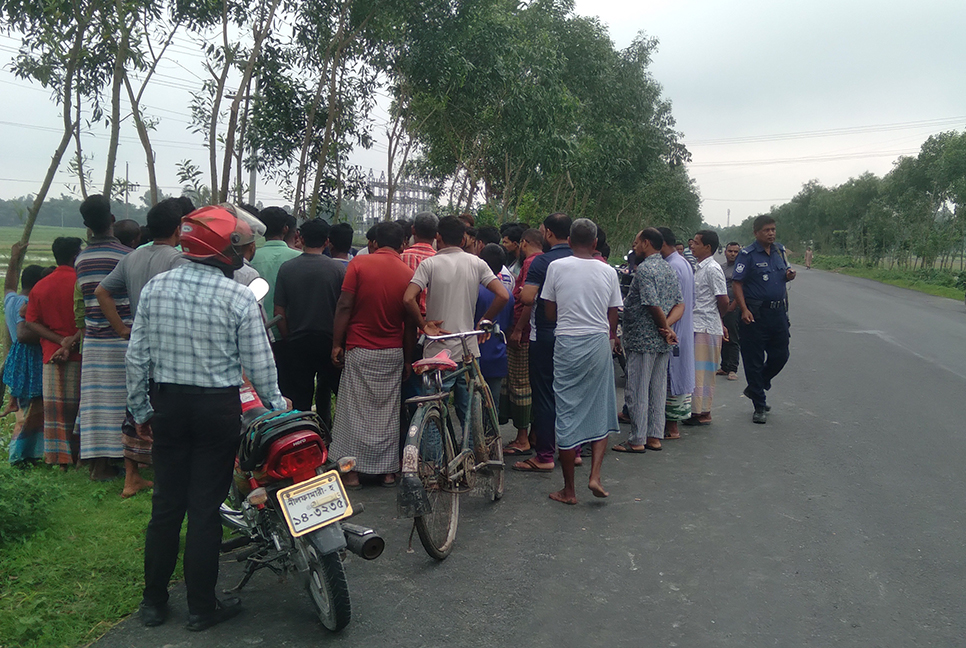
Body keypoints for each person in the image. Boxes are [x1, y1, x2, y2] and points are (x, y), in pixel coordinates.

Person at [128, 206, 286, 631]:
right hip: (217, 410)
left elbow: (136, 356)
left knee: (166, 507)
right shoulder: (237, 296)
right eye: (235, 244)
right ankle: (201, 607)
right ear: (221, 250)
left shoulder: (156, 289)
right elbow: (260, 363)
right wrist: (278, 406)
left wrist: (141, 410)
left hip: (169, 407)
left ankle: (153, 603)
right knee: (203, 509)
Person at [96, 197, 187, 497]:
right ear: (179, 228)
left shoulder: (132, 256)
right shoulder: (178, 259)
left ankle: (131, 476)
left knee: (135, 411)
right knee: (168, 415)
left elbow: (102, 291)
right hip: (170, 351)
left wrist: (122, 328)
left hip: (138, 345)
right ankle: (166, 474)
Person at [540, 219, 621, 504]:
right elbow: (613, 313)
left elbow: (550, 312)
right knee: (600, 406)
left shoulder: (556, 267)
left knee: (566, 411)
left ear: (570, 241)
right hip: (598, 340)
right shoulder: (608, 271)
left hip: (567, 342)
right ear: (596, 243)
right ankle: (595, 475)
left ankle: (569, 490)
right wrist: (609, 337)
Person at [329, 222, 414, 489]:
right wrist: (408, 358)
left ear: (374, 243)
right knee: (388, 414)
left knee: (353, 413)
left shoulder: (359, 265)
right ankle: (387, 472)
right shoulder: (408, 272)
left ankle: (352, 473)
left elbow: (344, 305)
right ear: (402, 245)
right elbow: (410, 323)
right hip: (392, 352)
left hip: (360, 349)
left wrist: (336, 343)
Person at [403, 216, 509, 423]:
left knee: (433, 410)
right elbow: (503, 295)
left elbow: (408, 298)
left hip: (437, 350)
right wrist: (485, 321)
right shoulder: (477, 263)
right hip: (468, 348)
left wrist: (424, 325)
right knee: (469, 411)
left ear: (437, 237)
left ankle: (435, 455)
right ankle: (470, 451)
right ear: (463, 240)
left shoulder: (429, 264)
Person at [74, 194, 134, 481]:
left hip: (95, 342)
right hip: (123, 339)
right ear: (112, 220)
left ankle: (98, 462)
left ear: (87, 225)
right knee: (126, 402)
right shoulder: (125, 256)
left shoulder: (81, 259)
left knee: (96, 405)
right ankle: (126, 459)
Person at [612, 229, 681, 454]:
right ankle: (654, 436)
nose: (635, 247)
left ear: (646, 243)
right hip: (661, 341)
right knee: (657, 388)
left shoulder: (645, 269)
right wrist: (667, 329)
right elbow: (680, 303)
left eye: (636, 242)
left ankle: (637, 438)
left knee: (638, 389)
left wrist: (664, 328)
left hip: (643, 339)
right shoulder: (668, 268)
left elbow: (652, 304)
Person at [513, 212, 573, 472]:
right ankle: (574, 451)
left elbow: (527, 298)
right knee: (570, 394)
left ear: (548, 233)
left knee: (545, 395)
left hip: (545, 335)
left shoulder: (542, 262)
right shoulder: (585, 262)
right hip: (575, 335)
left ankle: (545, 455)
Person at [274, 218, 345, 430]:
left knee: (299, 401)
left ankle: (301, 441)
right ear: (327, 241)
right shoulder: (338, 270)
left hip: (297, 343)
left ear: (301, 238)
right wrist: (340, 343)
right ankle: (337, 440)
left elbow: (279, 312)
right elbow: (345, 309)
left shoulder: (287, 268)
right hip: (329, 344)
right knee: (340, 395)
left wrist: (288, 338)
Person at [25, 236, 84, 468]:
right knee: (79, 407)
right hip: (80, 352)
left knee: (55, 410)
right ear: (75, 256)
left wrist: (59, 342)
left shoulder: (41, 286)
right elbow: (88, 319)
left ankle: (59, 460)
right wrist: (69, 343)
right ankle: (81, 457)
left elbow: (31, 322)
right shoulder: (81, 282)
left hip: (51, 354)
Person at [732, 215, 796, 424]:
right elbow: (738, 283)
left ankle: (756, 386)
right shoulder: (747, 254)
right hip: (755, 314)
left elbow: (783, 273)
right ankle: (759, 405)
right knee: (754, 361)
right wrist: (743, 309)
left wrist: (789, 274)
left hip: (778, 313)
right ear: (756, 233)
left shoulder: (779, 250)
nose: (771, 233)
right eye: (766, 230)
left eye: (773, 229)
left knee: (781, 355)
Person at [501, 228, 543, 455]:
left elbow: (528, 301)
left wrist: (517, 330)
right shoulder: (545, 262)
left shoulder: (530, 264)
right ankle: (534, 434)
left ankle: (522, 437)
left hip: (523, 332)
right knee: (531, 383)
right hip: (533, 332)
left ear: (524, 243)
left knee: (520, 384)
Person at [3, 243, 45, 465]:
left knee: (23, 408)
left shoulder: (11, 300)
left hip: (16, 363)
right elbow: (23, 335)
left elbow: (8, 285)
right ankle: (22, 454)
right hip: (31, 361)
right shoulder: (28, 304)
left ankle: (24, 452)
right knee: (31, 410)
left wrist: (13, 259)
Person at [684, 230, 729, 426]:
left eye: (695, 243)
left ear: (707, 247)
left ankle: (703, 412)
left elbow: (723, 299)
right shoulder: (699, 267)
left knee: (704, 371)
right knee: (696, 370)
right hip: (698, 325)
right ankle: (696, 409)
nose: (691, 246)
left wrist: (718, 318)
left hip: (706, 326)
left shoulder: (713, 269)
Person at [657, 227, 694, 447]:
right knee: (676, 373)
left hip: (674, 328)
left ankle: (671, 426)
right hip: (682, 325)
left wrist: (664, 325)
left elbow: (672, 303)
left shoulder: (672, 267)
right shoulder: (683, 263)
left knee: (671, 375)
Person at [475, 244, 515, 402]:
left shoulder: (474, 291)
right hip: (497, 355)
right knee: (492, 404)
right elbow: (509, 324)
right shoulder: (508, 294)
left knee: (471, 404)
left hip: (475, 355)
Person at [717, 241, 742, 380]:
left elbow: (743, 289)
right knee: (722, 335)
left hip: (733, 307)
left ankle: (733, 368)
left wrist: (733, 306)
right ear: (725, 252)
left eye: (735, 251)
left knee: (733, 337)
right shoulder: (721, 268)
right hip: (721, 307)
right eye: (730, 251)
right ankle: (724, 366)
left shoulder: (741, 269)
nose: (732, 254)